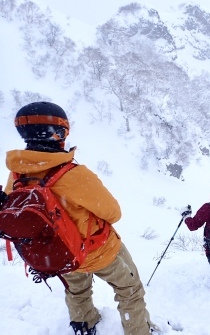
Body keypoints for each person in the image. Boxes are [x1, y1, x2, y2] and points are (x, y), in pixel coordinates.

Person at [4, 101, 156, 335]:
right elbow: (113, 212)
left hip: (60, 252)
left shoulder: (17, 176)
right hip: (97, 251)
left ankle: (84, 324)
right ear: (59, 134)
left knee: (76, 290)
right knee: (129, 289)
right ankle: (139, 331)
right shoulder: (73, 174)